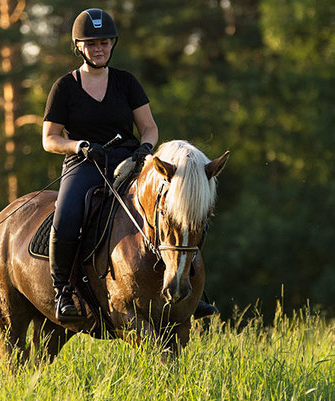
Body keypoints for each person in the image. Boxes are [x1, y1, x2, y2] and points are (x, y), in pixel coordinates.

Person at [42, 8, 218, 320]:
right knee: (67, 215)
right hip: (85, 163)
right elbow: (50, 138)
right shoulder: (64, 87)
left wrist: (145, 149)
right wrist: (79, 146)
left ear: (112, 45)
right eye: (92, 43)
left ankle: (190, 288)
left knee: (176, 209)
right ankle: (63, 291)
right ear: (79, 46)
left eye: (105, 43)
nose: (99, 49)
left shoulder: (126, 82)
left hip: (129, 159)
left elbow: (149, 127)